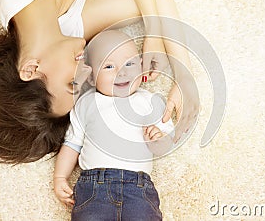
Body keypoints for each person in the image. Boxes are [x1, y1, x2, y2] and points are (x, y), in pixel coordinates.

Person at [0, 0, 196, 164]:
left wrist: (154, 28)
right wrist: (184, 78)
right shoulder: (63, 34)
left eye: (72, 83)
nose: (88, 71)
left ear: (30, 69)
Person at [53, 30, 174, 220]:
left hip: (138, 188)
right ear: (91, 78)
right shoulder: (86, 103)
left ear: (141, 67)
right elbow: (71, 145)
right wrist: (60, 177)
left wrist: (159, 138)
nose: (122, 72)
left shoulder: (151, 102)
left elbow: (168, 139)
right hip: (94, 187)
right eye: (109, 66)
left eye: (129, 63)